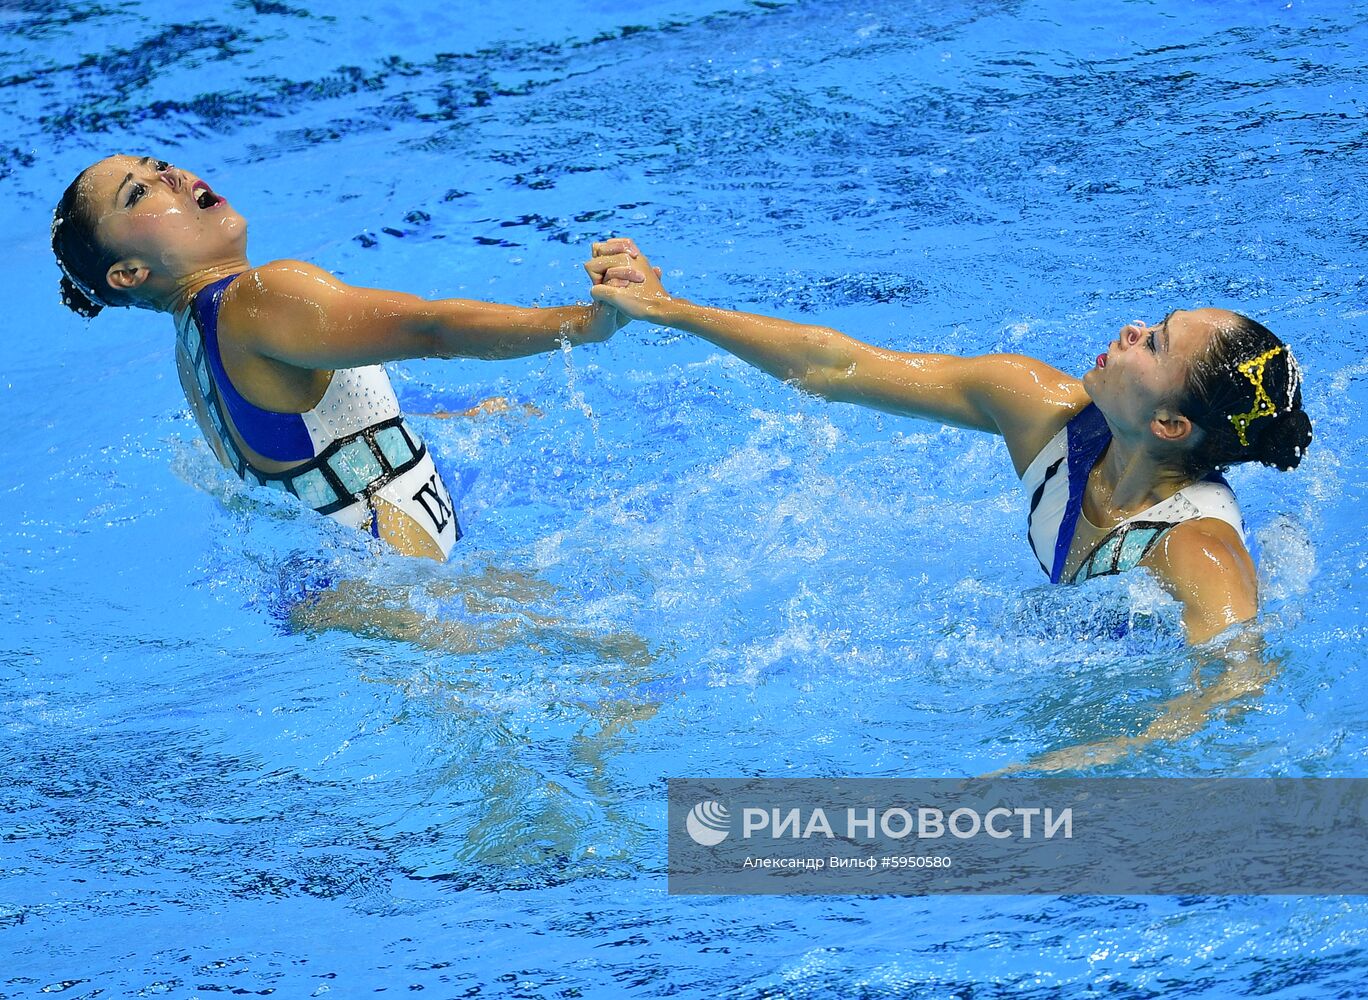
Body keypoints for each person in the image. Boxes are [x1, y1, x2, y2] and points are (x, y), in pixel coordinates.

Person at [584, 239, 1312, 648]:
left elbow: (1231, 694)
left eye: (1153, 344)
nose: (1130, 329)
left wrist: (1103, 755)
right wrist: (667, 311)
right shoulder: (1041, 412)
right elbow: (834, 366)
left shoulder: (1199, 551)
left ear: (1169, 425)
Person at [51, 154, 626, 561]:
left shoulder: (193, 346)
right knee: (632, 672)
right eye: (140, 192)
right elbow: (431, 329)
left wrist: (456, 421)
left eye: (158, 164)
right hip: (399, 572)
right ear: (128, 275)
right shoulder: (259, 297)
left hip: (336, 590)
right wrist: (586, 323)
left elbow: (308, 444)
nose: (171, 175)